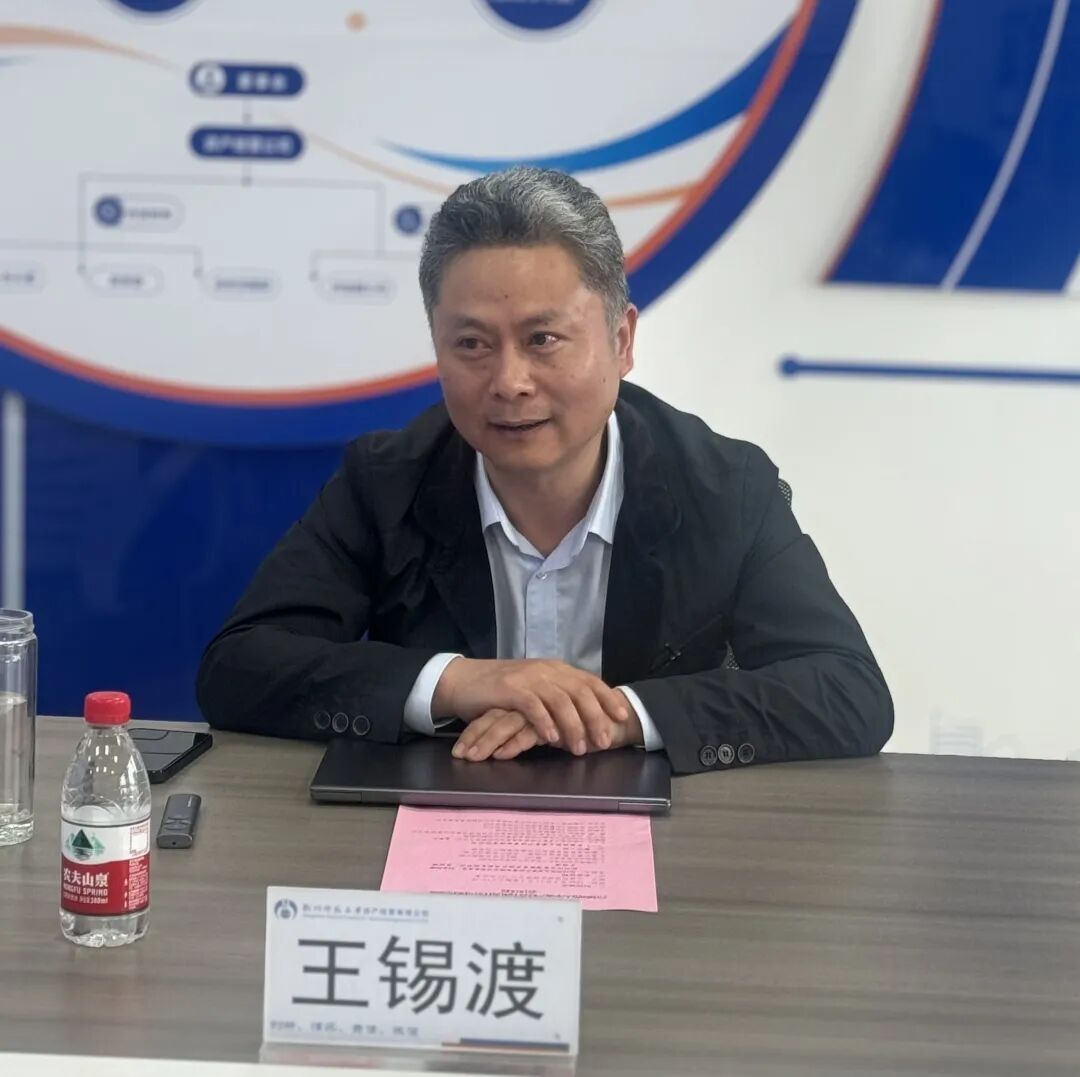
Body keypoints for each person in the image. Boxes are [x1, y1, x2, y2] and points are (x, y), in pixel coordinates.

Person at [196, 167, 892, 775]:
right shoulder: (385, 482)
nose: (510, 382)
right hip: (440, 832)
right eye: (472, 344)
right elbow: (240, 668)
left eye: (543, 339)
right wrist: (461, 682)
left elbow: (848, 692)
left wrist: (619, 715)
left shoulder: (724, 487)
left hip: (664, 848)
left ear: (621, 340)